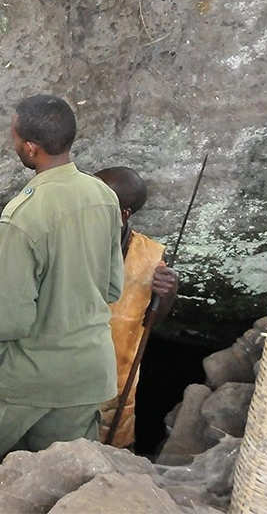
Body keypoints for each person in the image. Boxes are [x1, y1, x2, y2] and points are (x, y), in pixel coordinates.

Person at [0, 94, 124, 486]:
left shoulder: (23, 215)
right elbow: (113, 286)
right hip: (88, 373)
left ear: (30, 147)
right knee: (61, 477)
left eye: (14, 137)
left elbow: (3, 323)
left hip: (27, 370)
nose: (14, 143)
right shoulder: (103, 196)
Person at [94, 166, 180, 448]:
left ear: (123, 215)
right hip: (61, 366)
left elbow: (153, 322)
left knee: (110, 443)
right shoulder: (69, 236)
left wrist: (167, 294)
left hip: (114, 377)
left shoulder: (150, 257)